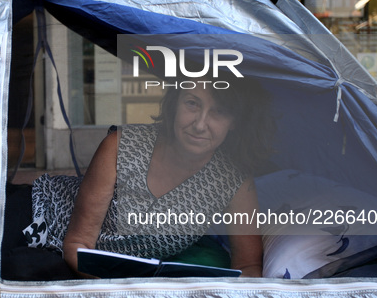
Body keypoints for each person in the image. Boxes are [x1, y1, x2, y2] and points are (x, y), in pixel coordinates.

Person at [57, 76, 274, 278]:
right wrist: (127, 293)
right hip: (46, 231)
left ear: (234, 122)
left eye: (219, 111)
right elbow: (78, 244)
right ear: (175, 102)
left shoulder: (233, 180)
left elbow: (247, 266)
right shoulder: (120, 146)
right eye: (192, 103)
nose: (199, 125)